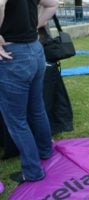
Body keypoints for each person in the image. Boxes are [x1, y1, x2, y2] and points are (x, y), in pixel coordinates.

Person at [0, 0, 58, 183]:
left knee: (17, 120)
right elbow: (52, 4)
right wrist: (34, 25)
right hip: (34, 50)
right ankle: (45, 150)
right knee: (36, 109)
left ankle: (32, 171)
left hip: (13, 54)